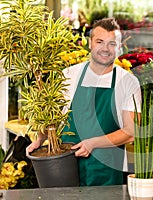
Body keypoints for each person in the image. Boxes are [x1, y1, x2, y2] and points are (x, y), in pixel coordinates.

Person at [26, 17, 142, 186]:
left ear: (119, 47)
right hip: (65, 167)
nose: (105, 49)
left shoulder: (128, 82)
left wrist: (93, 143)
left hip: (106, 172)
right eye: (100, 41)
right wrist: (40, 138)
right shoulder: (68, 75)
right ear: (90, 43)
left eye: (112, 43)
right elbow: (53, 117)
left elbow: (131, 132)